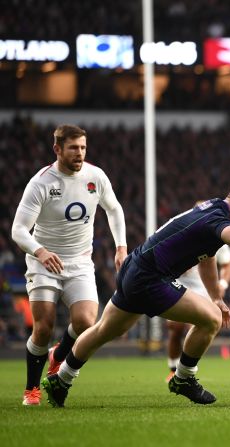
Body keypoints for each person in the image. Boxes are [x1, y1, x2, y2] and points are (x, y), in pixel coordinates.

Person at [41, 182, 230, 407]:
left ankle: (61, 379)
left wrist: (216, 297)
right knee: (211, 320)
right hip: (150, 278)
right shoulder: (218, 220)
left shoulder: (212, 209)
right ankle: (184, 378)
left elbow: (206, 256)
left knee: (104, 330)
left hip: (134, 268)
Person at [11, 124, 127, 406]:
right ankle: (31, 389)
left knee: (87, 322)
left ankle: (58, 355)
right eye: (74, 148)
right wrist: (40, 252)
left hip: (80, 262)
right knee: (43, 327)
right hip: (44, 263)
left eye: (83, 148)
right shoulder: (41, 183)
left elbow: (113, 208)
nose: (80, 153)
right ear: (58, 149)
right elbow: (18, 230)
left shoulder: (95, 176)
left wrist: (121, 246)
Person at [165, 242, 230, 382]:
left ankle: (186, 370)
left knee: (198, 327)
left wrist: (222, 284)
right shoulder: (179, 233)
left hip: (203, 287)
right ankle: (173, 369)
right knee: (175, 327)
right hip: (179, 283)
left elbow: (227, 265)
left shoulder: (217, 237)